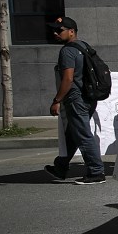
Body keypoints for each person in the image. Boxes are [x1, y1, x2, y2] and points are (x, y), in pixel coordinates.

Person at [45, 16, 106, 184]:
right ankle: (61, 167)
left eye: (60, 30)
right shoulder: (84, 46)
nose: (56, 33)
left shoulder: (67, 51)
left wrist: (57, 100)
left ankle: (96, 172)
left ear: (71, 32)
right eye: (54, 30)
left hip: (75, 98)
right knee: (73, 133)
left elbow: (68, 79)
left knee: (83, 135)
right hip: (88, 97)